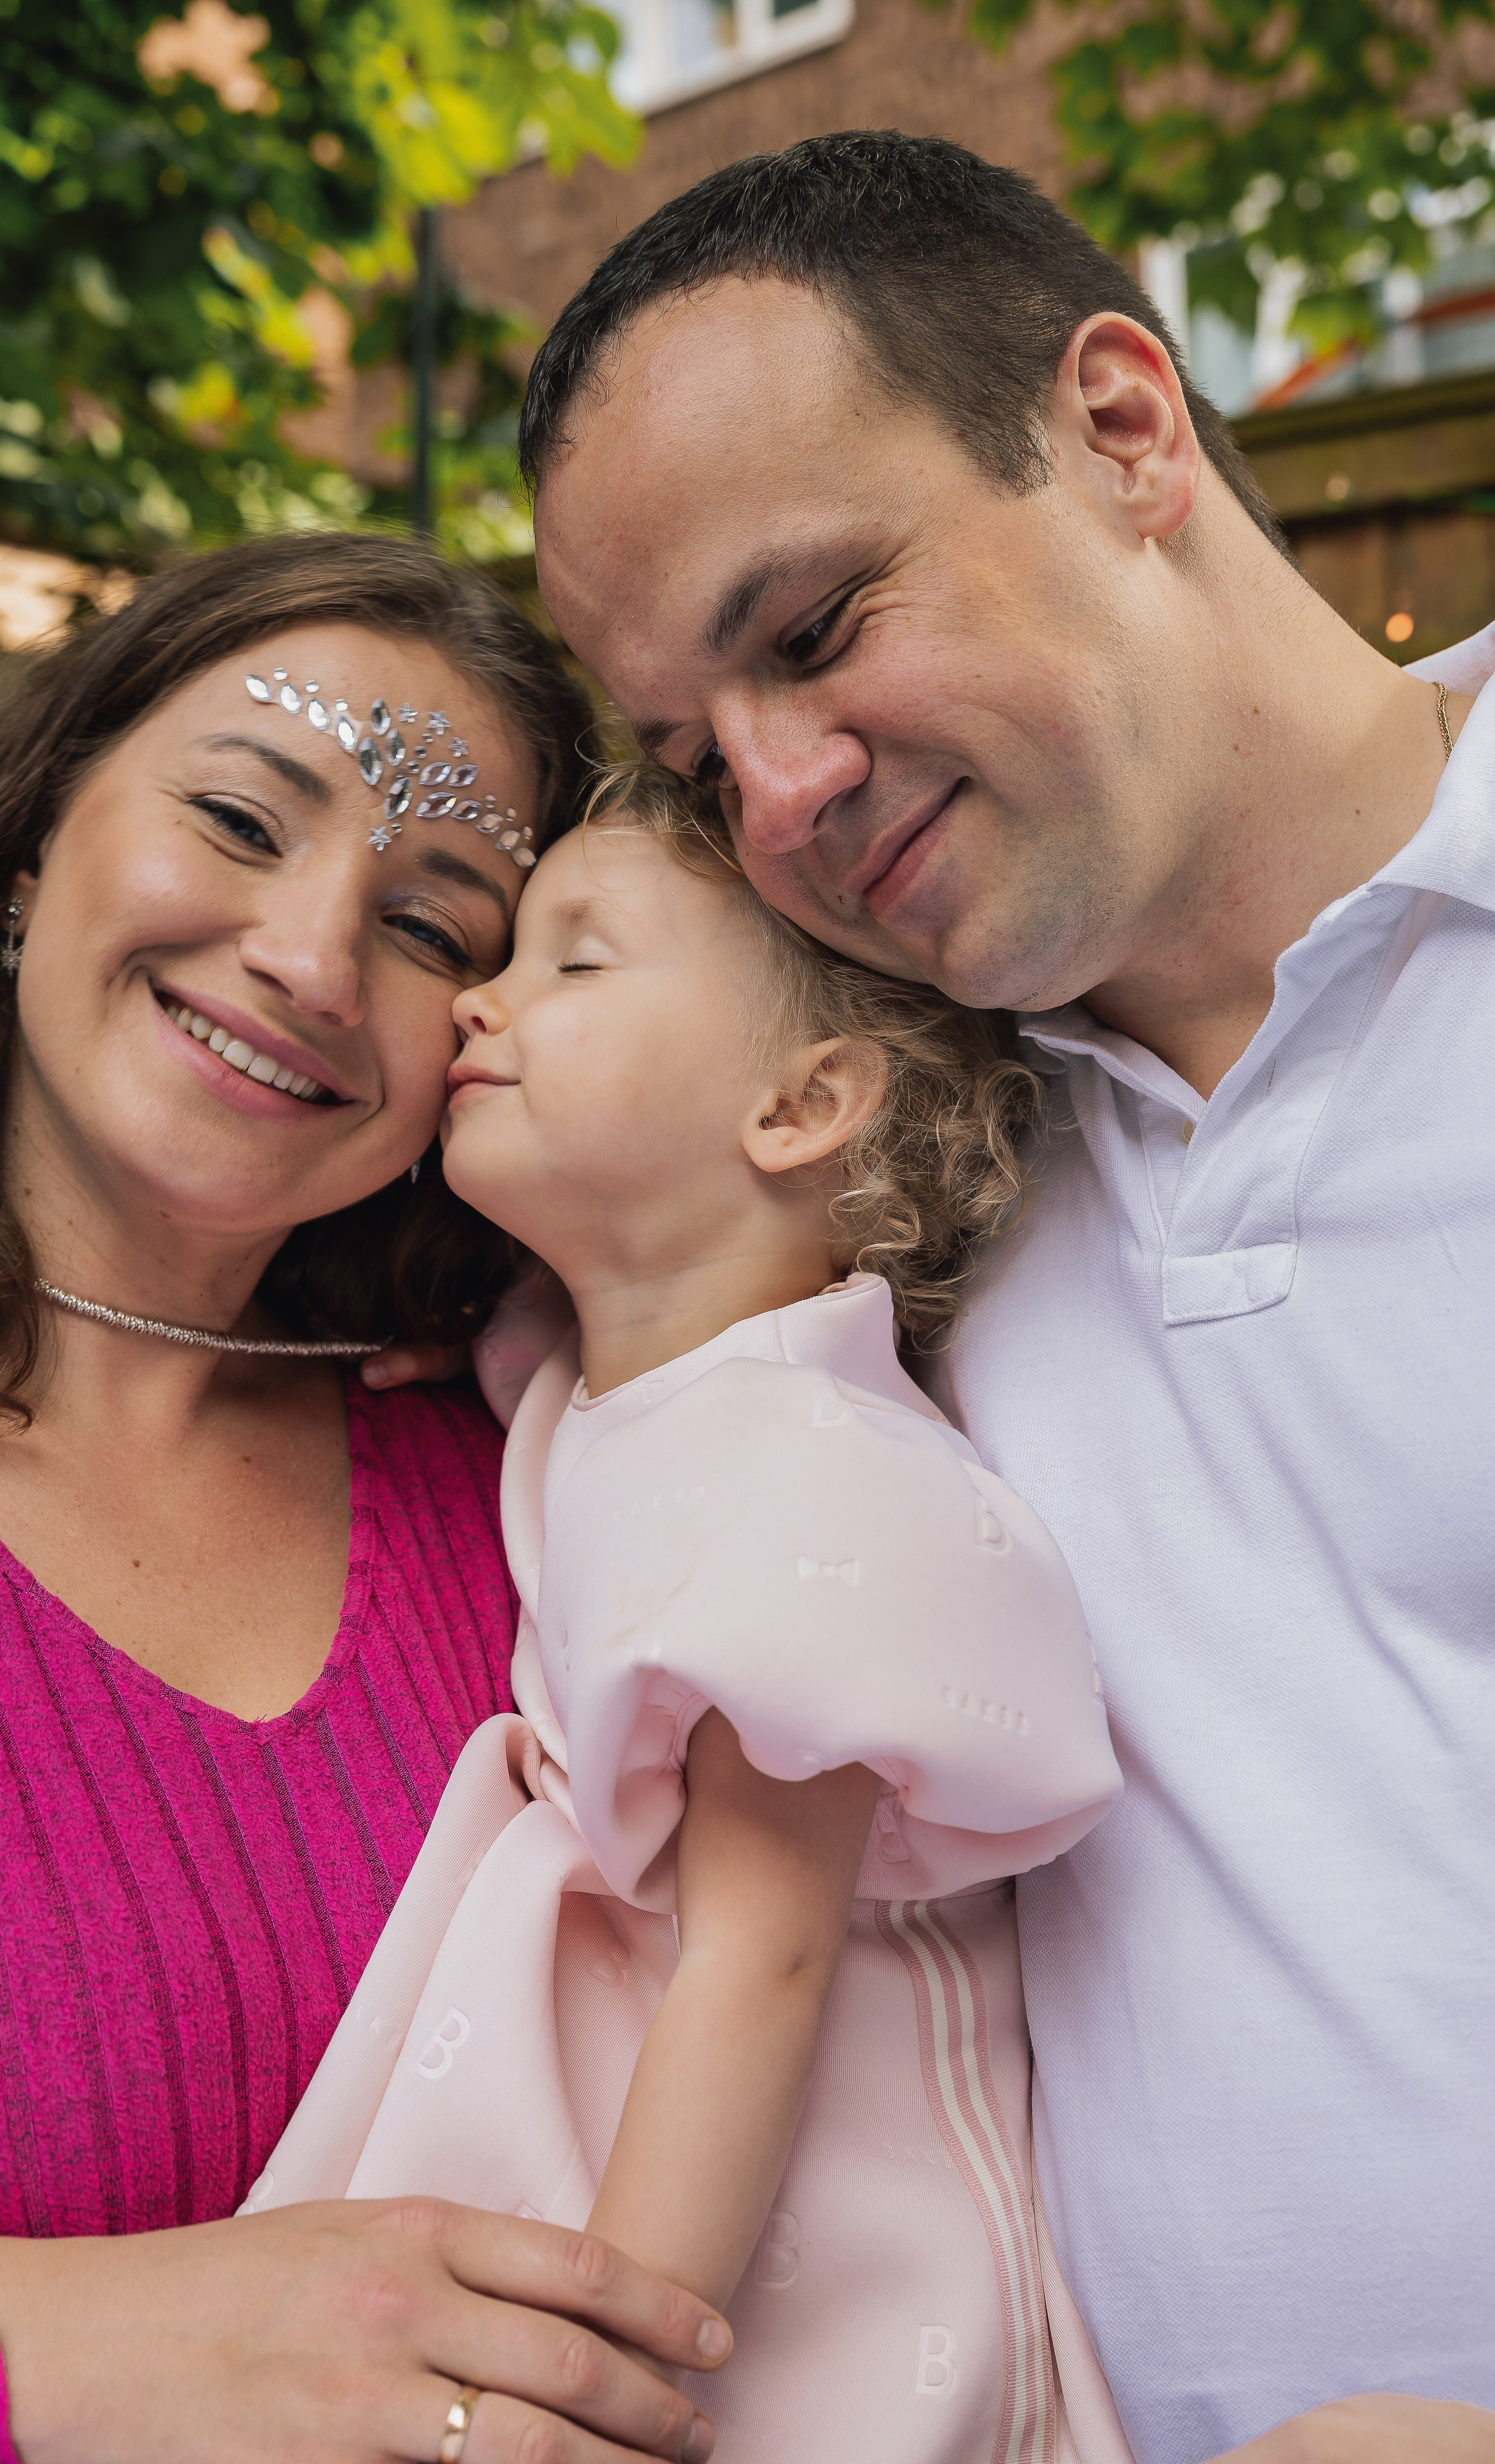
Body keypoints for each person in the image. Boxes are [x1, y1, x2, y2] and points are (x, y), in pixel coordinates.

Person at [500, 131, 1495, 2464]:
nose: (778, 796)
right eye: (688, 755)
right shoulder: (877, 1177)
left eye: (813, 629)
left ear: (1124, 429)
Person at [0, 533, 732, 2464]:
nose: (315, 962)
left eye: (434, 928)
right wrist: (34, 2352)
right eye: (242, 821)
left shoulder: (546, 1493)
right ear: (32, 841)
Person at [243, 782, 1130, 2463]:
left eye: (577, 963)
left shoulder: (812, 1471)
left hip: (791, 2253)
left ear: (801, 1105)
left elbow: (760, 1959)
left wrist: (603, 2371)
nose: (482, 1002)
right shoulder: (598, 1370)